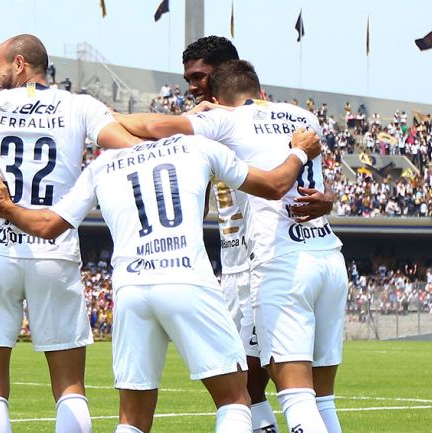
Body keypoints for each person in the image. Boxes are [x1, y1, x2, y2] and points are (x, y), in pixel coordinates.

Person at [0, 127, 321, 433]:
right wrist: (300, 151)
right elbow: (275, 185)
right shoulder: (195, 146)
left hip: (131, 289)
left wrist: (8, 209)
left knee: (132, 420)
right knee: (234, 399)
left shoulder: (104, 164)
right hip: (187, 278)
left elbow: (47, 226)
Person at [0, 36, 139, 433]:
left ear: (19, 64)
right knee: (70, 387)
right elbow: (129, 148)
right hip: (54, 248)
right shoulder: (79, 105)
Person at [118, 59, 348, 433]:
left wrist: (94, 115)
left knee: (294, 394)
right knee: (319, 396)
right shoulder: (304, 116)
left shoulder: (226, 120)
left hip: (278, 262)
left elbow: (153, 126)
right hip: (327, 255)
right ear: (259, 91)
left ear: (220, 97)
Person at [178, 35, 280, 433]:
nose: (191, 86)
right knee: (238, 382)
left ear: (223, 72)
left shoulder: (257, 118)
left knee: (266, 379)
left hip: (264, 264)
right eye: (187, 78)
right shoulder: (207, 126)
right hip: (232, 268)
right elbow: (199, 203)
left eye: (198, 76)